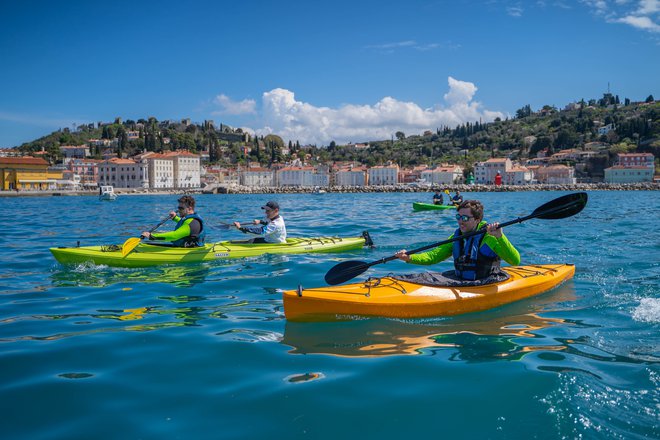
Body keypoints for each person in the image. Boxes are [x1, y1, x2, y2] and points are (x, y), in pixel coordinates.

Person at [395, 199, 520, 280]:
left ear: (477, 220)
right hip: (462, 281)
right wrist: (409, 258)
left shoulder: (491, 237)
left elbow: (515, 261)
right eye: (458, 217)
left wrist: (500, 237)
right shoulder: (457, 237)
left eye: (465, 218)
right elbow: (433, 256)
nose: (460, 221)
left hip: (486, 282)